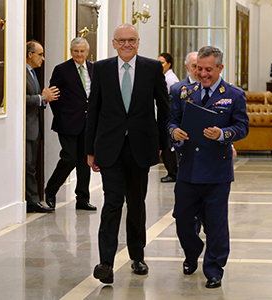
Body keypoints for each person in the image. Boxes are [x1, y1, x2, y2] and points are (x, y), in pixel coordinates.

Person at [85, 23, 169, 284]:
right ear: (113, 43)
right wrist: (90, 151)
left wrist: (163, 145)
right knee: (111, 204)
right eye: (121, 40)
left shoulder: (152, 68)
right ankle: (105, 263)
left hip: (140, 149)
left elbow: (163, 108)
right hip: (109, 149)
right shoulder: (101, 69)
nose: (126, 44)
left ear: (138, 42)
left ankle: (137, 256)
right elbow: (94, 111)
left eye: (131, 39)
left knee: (136, 204)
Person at [168, 46, 249, 288]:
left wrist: (223, 133)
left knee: (216, 223)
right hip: (188, 169)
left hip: (217, 171)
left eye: (208, 70)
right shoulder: (184, 92)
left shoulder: (234, 94)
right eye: (199, 69)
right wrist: (175, 132)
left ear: (220, 68)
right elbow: (171, 121)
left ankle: (214, 269)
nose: (203, 74)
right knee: (182, 219)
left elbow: (242, 127)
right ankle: (192, 252)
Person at [45, 37, 96, 211]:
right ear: (71, 52)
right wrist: (60, 115)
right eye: (76, 51)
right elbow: (53, 96)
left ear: (87, 52)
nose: (79, 54)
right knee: (70, 157)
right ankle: (51, 190)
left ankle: (82, 198)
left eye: (82, 51)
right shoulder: (62, 70)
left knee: (85, 161)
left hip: (88, 124)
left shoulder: (93, 69)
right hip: (67, 122)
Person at [26, 41, 60, 213]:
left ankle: (32, 200)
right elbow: (21, 98)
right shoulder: (22, 72)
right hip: (27, 129)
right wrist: (41, 98)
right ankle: (31, 201)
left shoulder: (32, 73)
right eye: (40, 54)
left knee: (31, 166)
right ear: (30, 55)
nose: (43, 58)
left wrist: (44, 99)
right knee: (28, 167)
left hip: (34, 128)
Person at [157, 53, 179, 183]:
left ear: (169, 64)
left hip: (169, 117)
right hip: (165, 116)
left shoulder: (170, 79)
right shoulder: (164, 77)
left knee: (168, 146)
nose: (160, 65)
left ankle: (173, 173)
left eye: (162, 63)